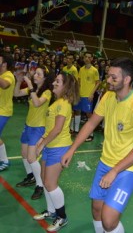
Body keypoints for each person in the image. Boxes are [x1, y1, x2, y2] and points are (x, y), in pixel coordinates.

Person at [61, 57, 133, 233]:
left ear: (126, 80)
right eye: (108, 76)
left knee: (109, 221)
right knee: (96, 209)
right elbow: (90, 124)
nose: (108, 80)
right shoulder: (108, 96)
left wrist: (115, 170)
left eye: (113, 78)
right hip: (106, 162)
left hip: (127, 169)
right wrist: (72, 149)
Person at [33, 72, 79, 232]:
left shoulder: (64, 104)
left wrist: (41, 144)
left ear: (66, 86)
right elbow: (51, 127)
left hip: (59, 148)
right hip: (50, 146)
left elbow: (58, 129)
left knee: (50, 184)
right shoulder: (56, 102)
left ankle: (62, 217)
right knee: (45, 180)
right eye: (55, 81)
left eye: (58, 81)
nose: (54, 83)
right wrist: (42, 141)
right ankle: (51, 211)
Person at [14, 66, 54, 200]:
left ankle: (40, 185)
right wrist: (19, 81)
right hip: (28, 125)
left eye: (38, 74)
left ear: (45, 78)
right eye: (35, 73)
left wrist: (30, 85)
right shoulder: (33, 89)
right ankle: (31, 176)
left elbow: (37, 103)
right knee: (24, 154)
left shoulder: (47, 92)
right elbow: (16, 94)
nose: (35, 75)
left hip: (39, 127)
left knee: (32, 158)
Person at [73, 52, 100, 141]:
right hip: (80, 95)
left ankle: (90, 134)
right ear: (84, 58)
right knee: (77, 111)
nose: (87, 59)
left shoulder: (94, 70)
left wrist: (92, 94)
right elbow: (79, 82)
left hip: (87, 96)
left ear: (92, 59)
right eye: (86, 57)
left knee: (89, 114)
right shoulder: (81, 69)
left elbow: (97, 83)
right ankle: (76, 131)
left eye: (89, 57)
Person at [0, 53, 16, 171]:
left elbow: (5, 85)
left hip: (3, 111)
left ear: (4, 63)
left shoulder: (8, 75)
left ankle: (5, 160)